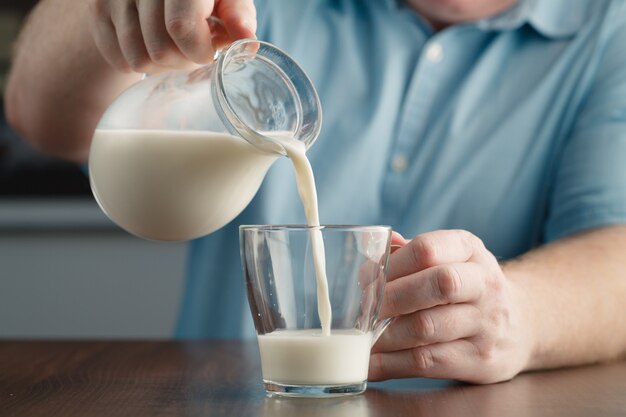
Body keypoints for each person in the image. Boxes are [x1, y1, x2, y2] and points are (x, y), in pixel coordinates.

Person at [5, 0, 626, 384]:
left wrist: (519, 314)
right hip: (225, 403)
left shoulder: (609, 31)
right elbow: (38, 113)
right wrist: (103, 13)